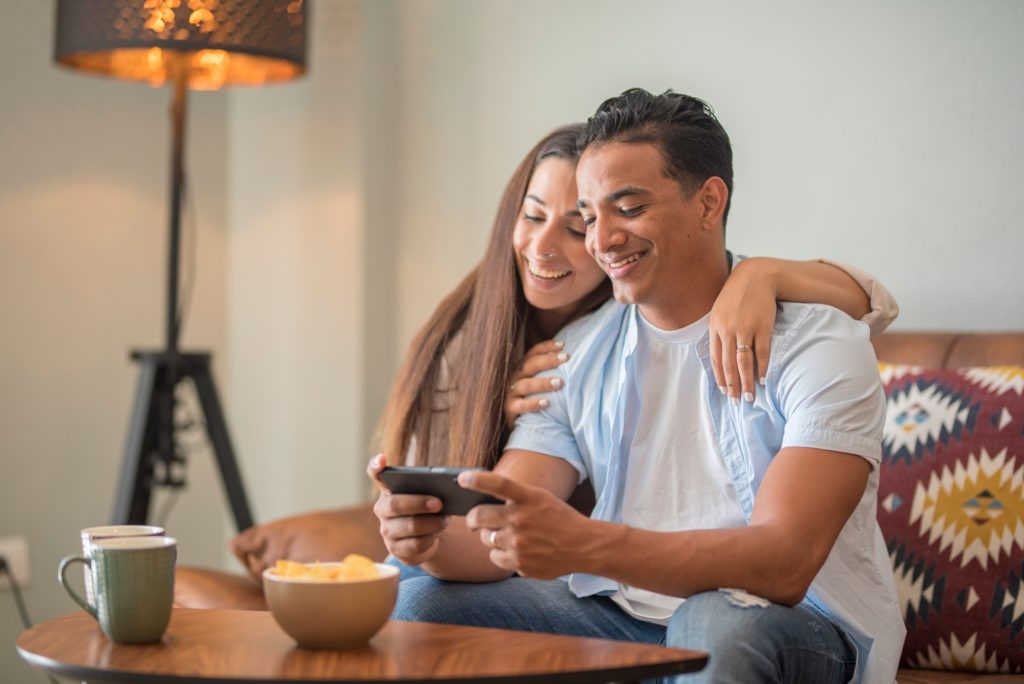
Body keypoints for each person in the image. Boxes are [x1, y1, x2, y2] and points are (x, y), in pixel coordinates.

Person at [372, 91, 904, 684]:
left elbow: (784, 563)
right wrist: (428, 539)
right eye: (592, 216)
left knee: (717, 622)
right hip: (621, 615)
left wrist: (584, 546)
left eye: (628, 208)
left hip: (791, 621)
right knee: (423, 606)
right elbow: (506, 518)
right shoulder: (575, 350)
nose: (602, 240)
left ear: (709, 202)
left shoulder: (818, 342)